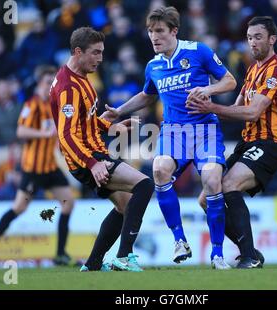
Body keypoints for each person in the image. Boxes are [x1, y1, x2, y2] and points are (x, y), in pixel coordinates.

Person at [102, 6, 237, 269]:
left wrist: (207, 89)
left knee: (211, 179)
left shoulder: (198, 51)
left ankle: (218, 254)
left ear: (174, 31)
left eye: (160, 31)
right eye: (151, 32)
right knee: (159, 169)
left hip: (204, 129)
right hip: (173, 131)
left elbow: (230, 81)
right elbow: (147, 95)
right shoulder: (153, 65)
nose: (154, 37)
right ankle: (180, 240)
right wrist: (118, 111)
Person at [188, 16, 277, 268]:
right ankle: (250, 250)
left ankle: (248, 257)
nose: (252, 43)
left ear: (272, 39)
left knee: (231, 184)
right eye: (249, 38)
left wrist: (211, 105)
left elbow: (252, 112)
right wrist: (202, 115)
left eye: (258, 37)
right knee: (206, 199)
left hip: (271, 142)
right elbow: (235, 109)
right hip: (248, 143)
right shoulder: (252, 70)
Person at [49, 27, 154, 272]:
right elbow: (66, 135)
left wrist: (111, 125)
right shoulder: (68, 87)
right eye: (95, 53)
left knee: (125, 205)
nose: (100, 58)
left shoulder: (80, 78)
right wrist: (92, 163)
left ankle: (94, 263)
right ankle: (125, 256)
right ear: (78, 52)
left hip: (94, 154)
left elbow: (84, 121)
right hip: (88, 158)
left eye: (102, 53)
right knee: (145, 184)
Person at [0, 65, 76, 268]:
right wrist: (43, 134)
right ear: (39, 83)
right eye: (48, 82)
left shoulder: (53, 104)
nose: (52, 86)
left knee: (69, 203)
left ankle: (60, 254)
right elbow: (21, 132)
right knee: (19, 208)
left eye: (54, 82)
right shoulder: (32, 104)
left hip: (50, 167)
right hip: (33, 169)